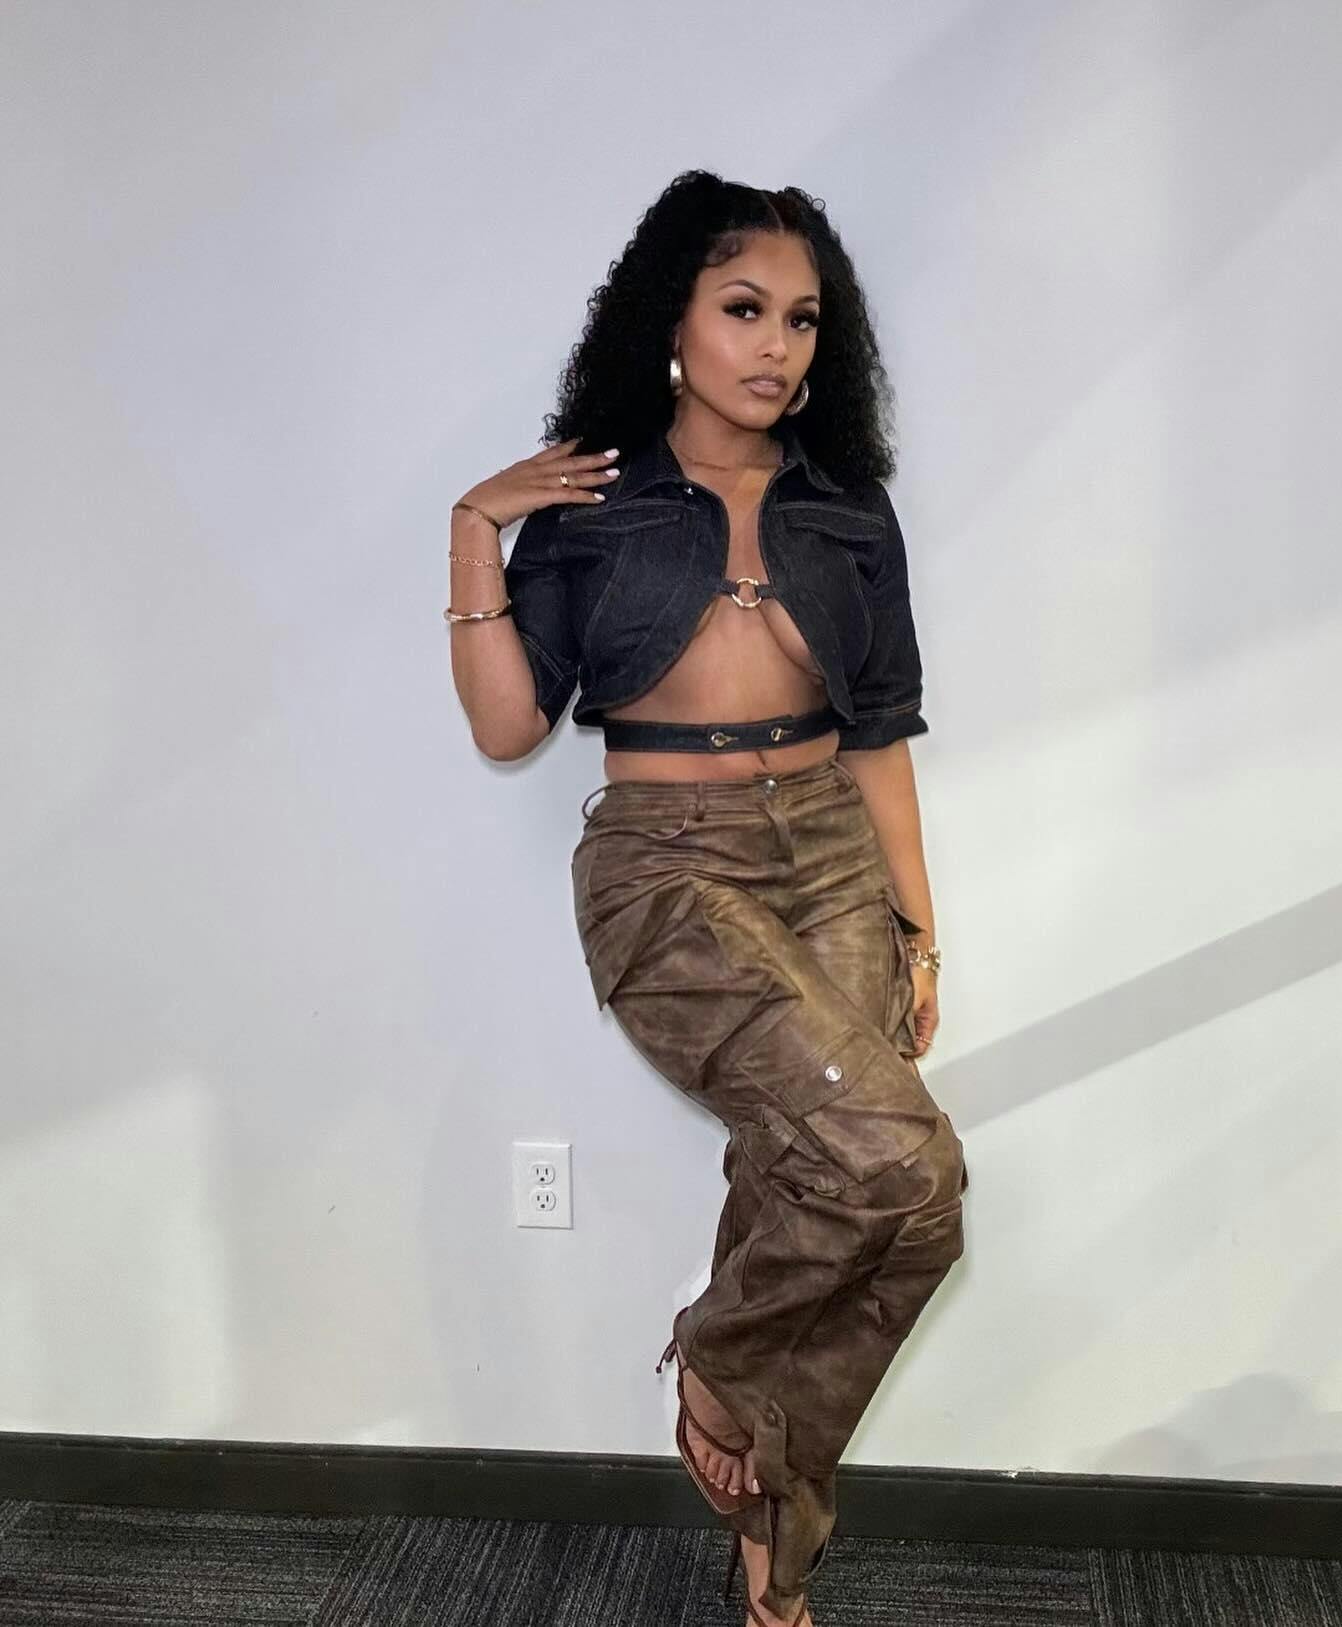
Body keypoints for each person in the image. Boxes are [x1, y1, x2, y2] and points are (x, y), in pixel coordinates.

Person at [446, 170, 968, 1627]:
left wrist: (921, 928)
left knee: (885, 1208)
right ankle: (724, 1363)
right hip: (667, 865)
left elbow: (880, 735)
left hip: (833, 854)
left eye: (802, 320)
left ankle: (772, 1574)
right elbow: (507, 727)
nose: (777, 346)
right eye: (745, 308)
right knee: (899, 1170)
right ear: (669, 321)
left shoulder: (846, 508)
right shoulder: (594, 505)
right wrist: (474, 529)